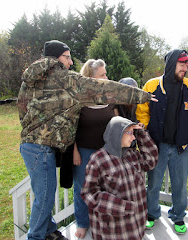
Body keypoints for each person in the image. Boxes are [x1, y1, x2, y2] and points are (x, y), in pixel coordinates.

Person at [17, 40, 157, 240]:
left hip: (31, 144)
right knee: (45, 197)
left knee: (45, 194)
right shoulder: (66, 80)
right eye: (67, 57)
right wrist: (141, 95)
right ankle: (36, 236)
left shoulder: (31, 79)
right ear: (56, 58)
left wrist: (34, 128)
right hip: (40, 147)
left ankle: (48, 231)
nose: (71, 62)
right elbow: (105, 88)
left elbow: (22, 109)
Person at [136, 49, 188, 235]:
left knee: (180, 184)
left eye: (187, 64)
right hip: (157, 145)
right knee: (154, 182)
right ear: (172, 64)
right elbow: (142, 110)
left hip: (180, 146)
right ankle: (151, 214)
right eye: (182, 63)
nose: (185, 67)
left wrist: (187, 132)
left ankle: (178, 216)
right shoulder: (151, 85)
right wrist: (148, 134)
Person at [81, 116, 158, 240]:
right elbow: (89, 194)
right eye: (130, 133)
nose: (133, 138)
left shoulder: (133, 155)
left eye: (133, 134)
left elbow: (151, 160)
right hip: (113, 231)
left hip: (136, 227)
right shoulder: (98, 159)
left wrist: (141, 133)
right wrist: (122, 206)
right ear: (117, 133)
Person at [72, 59, 116, 239]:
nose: (107, 77)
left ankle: (101, 220)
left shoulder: (109, 96)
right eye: (102, 75)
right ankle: (82, 222)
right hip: (83, 151)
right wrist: (74, 151)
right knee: (82, 187)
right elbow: (70, 128)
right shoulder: (78, 99)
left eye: (106, 73)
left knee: (105, 187)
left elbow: (116, 121)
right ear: (91, 78)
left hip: (105, 151)